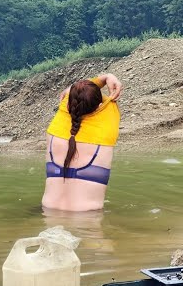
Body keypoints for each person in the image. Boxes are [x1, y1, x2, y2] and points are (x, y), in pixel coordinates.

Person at [41, 73, 123, 212]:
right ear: (99, 107)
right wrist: (107, 77)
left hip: (48, 212)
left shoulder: (54, 128)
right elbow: (109, 99)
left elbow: (69, 92)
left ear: (67, 104)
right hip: (87, 218)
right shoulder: (107, 125)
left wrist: (99, 80)